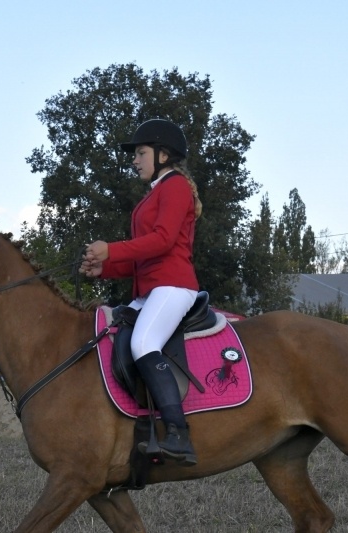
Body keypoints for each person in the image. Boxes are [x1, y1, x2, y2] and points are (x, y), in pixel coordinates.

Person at [79, 119, 202, 466]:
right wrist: (106, 267)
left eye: (141, 153)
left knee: (143, 343)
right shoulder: (155, 191)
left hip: (174, 286)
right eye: (135, 154)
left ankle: (178, 435)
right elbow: (143, 258)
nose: (135, 160)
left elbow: (163, 241)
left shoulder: (175, 187)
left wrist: (112, 250)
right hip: (151, 289)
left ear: (164, 155)